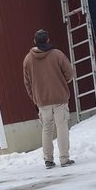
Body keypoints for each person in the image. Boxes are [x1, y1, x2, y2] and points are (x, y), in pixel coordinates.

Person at [23, 29, 75, 169]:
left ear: (34, 41)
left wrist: (35, 98)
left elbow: (27, 83)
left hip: (42, 100)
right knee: (62, 127)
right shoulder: (57, 54)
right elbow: (69, 73)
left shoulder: (28, 59)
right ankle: (64, 159)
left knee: (47, 129)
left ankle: (48, 160)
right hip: (59, 97)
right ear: (47, 40)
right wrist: (62, 83)